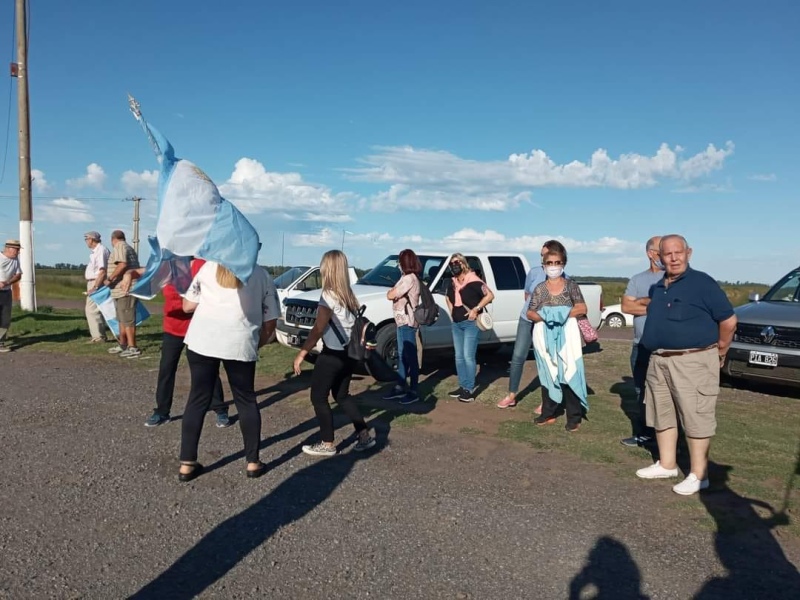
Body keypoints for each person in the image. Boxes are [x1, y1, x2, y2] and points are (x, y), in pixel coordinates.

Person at [636, 235, 736, 495]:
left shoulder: (703, 283)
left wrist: (721, 349)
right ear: (658, 257)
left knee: (696, 417)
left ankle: (698, 474)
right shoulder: (658, 288)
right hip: (659, 360)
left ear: (688, 253)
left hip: (692, 361)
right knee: (662, 413)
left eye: (678, 252)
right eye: (667, 254)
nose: (673, 258)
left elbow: (728, 321)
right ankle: (667, 464)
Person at [177, 261, 279, 481]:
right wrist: (256, 342)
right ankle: (252, 462)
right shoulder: (261, 275)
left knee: (197, 399)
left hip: (202, 341)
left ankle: (186, 463)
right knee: (246, 400)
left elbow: (187, 306)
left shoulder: (208, 269)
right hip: (240, 342)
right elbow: (271, 322)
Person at [292, 250, 376, 457]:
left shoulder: (328, 295)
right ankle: (364, 435)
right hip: (348, 354)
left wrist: (302, 354)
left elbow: (318, 329)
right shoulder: (348, 295)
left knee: (318, 398)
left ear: (327, 269)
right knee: (342, 395)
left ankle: (327, 443)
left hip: (332, 356)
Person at [143, 258, 231, 429]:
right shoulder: (167, 266)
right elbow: (148, 275)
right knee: (166, 369)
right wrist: (130, 275)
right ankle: (162, 411)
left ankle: (220, 409)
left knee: (207, 371)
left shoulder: (202, 265)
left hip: (197, 327)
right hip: (172, 327)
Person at [498, 240, 566, 412]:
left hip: (545, 324)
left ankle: (548, 399)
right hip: (526, 319)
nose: (542, 258)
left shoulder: (564, 279)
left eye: (544, 255)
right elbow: (527, 293)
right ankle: (511, 394)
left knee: (546, 360)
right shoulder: (534, 272)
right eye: (541, 255)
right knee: (517, 356)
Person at [527, 245, 588, 432]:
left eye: (557, 263)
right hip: (543, 335)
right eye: (549, 263)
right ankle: (548, 412)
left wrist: (551, 314)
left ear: (564, 264)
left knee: (569, 372)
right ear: (543, 265)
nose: (553, 266)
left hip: (567, 335)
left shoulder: (571, 286)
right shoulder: (539, 289)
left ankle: (574, 416)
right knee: (548, 373)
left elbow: (582, 308)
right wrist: (551, 315)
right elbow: (531, 312)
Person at [620, 236, 663, 447]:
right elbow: (626, 307)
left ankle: (667, 436)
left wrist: (644, 304)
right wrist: (657, 307)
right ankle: (645, 433)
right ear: (650, 254)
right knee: (640, 390)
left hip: (665, 347)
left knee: (664, 392)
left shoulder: (673, 278)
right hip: (640, 345)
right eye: (660, 249)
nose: (665, 254)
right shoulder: (637, 279)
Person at [445, 253, 495, 403]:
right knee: (459, 357)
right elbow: (447, 297)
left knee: (468, 356)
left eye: (457, 262)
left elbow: (490, 295)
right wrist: (452, 311)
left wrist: (476, 309)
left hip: (470, 324)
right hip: (456, 323)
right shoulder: (452, 282)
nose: (454, 265)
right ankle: (463, 385)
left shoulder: (473, 280)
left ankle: (469, 389)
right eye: (452, 263)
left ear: (463, 263)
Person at [382, 249, 423, 405]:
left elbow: (391, 295)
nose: (398, 264)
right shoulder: (404, 278)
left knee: (410, 356)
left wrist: (392, 292)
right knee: (401, 355)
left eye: (400, 261)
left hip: (408, 322)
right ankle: (400, 386)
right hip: (401, 322)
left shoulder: (409, 279)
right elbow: (392, 293)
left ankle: (413, 390)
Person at [105, 230, 141, 358]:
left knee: (127, 319)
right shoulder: (128, 247)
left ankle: (132, 347)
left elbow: (122, 264)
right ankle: (123, 344)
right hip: (120, 290)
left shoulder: (120, 246)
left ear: (113, 239)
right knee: (121, 319)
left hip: (125, 289)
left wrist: (110, 278)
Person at [83, 231, 111, 343]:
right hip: (94, 281)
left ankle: (98, 336)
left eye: (86, 239)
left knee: (91, 309)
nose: (86, 242)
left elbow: (102, 271)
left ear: (91, 239)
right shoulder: (96, 251)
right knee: (94, 309)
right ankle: (99, 334)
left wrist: (95, 287)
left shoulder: (101, 251)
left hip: (96, 282)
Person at [0, 239, 22, 353]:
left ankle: (1, 342)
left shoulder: (15, 260)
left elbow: (18, 275)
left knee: (5, 319)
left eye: (18, 250)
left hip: (6, 292)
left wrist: (7, 282)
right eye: (16, 250)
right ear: (9, 248)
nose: (18, 252)